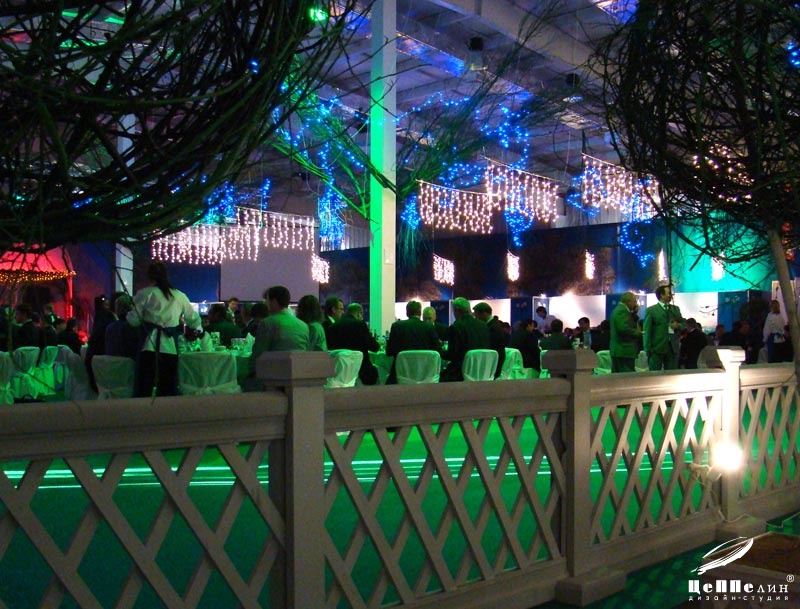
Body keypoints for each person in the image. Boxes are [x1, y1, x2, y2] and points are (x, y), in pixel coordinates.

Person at [127, 261, 202, 397]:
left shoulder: (145, 293)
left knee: (145, 386)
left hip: (148, 345)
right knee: (168, 386)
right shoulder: (179, 295)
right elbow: (193, 319)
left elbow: (133, 320)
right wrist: (196, 330)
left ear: (150, 276)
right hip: (170, 347)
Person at [385, 300, 441, 384]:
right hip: (425, 374)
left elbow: (389, 351)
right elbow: (438, 350)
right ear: (420, 313)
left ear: (407, 313)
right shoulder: (429, 327)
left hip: (402, 376)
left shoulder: (397, 326)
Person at [326, 302, 380, 385]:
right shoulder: (360, 325)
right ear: (359, 313)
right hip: (360, 370)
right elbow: (374, 347)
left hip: (337, 372)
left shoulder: (333, 326)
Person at [440, 297, 490, 382]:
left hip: (462, 373)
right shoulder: (483, 326)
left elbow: (452, 354)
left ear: (457, 310)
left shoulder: (456, 327)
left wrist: (439, 351)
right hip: (482, 371)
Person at [643, 285, 685, 371]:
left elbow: (684, 323)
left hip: (672, 347)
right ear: (662, 295)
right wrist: (647, 348)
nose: (671, 295)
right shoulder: (651, 310)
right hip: (656, 348)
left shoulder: (675, 309)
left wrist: (678, 325)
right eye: (669, 293)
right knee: (654, 373)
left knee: (672, 373)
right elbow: (647, 330)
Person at [473, 302, 507, 378]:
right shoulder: (494, 325)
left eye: (476, 315)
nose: (476, 318)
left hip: (494, 365)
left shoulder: (492, 328)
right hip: (494, 362)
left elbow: (490, 348)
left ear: (484, 314)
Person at [610, 292, 642, 373]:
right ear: (628, 301)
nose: (635, 304)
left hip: (621, 351)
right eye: (634, 301)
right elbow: (623, 329)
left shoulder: (620, 310)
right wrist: (637, 332)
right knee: (626, 376)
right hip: (624, 350)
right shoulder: (622, 311)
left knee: (618, 376)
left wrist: (634, 314)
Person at [105, 295, 139, 359]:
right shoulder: (134, 327)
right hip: (128, 364)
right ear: (131, 308)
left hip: (112, 364)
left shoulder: (109, 327)